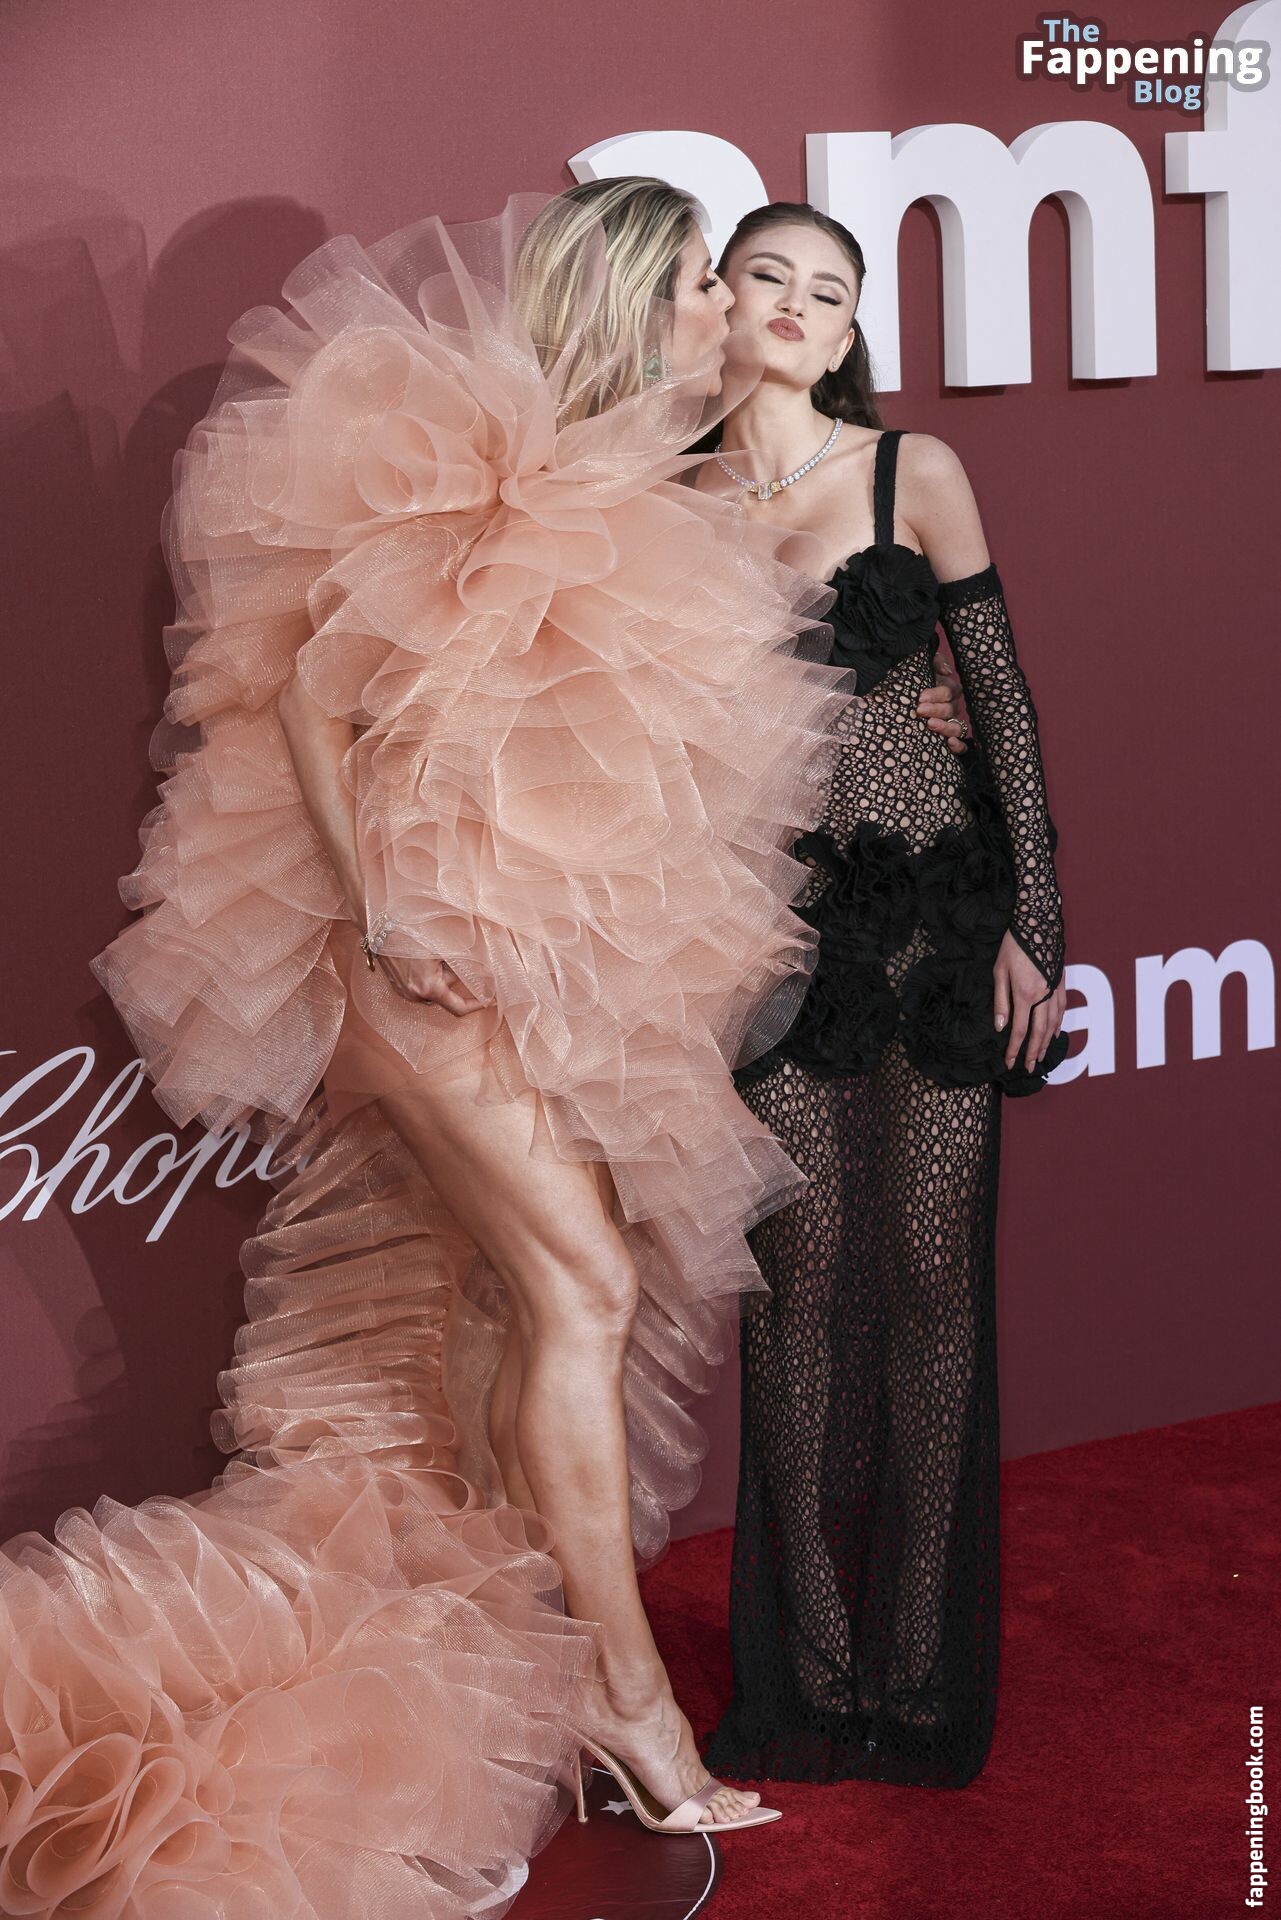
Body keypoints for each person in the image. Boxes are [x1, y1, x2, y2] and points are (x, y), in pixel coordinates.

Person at [694, 202, 1069, 1790]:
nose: (795, 303)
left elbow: (1003, 706)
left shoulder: (915, 471)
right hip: (769, 946)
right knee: (794, 1293)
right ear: (714, 302)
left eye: (827, 290)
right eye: (766, 276)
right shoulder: (654, 503)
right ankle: (814, 1669)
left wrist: (1033, 920)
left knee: (928, 1280)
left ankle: (916, 1671)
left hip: (935, 922)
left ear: (851, 333)